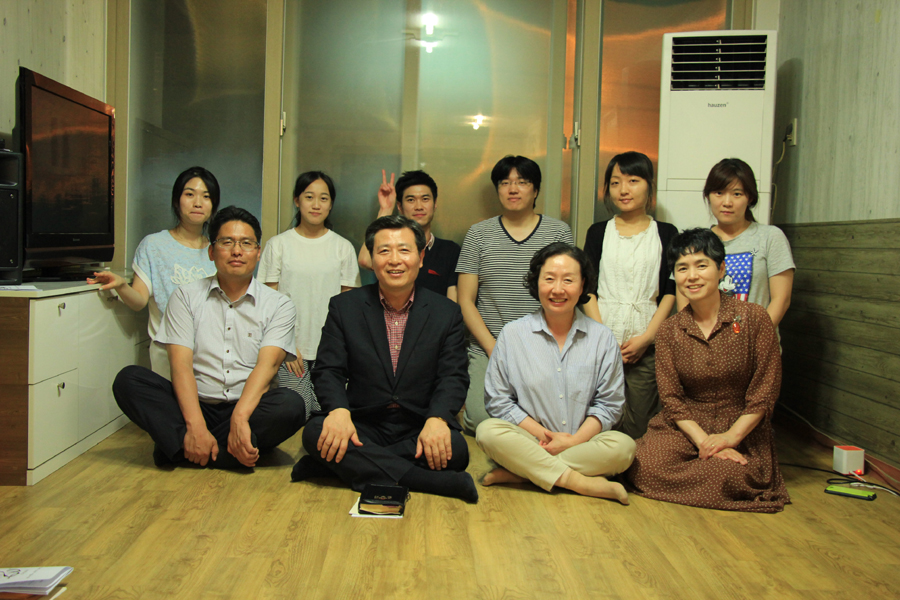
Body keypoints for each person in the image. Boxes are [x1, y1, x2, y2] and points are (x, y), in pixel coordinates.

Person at [294, 215, 476, 502]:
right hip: (364, 421)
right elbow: (328, 370)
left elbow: (453, 376)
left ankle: (339, 466)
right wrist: (339, 411)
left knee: (456, 448)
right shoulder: (345, 307)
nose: (394, 260)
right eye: (384, 251)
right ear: (372, 258)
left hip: (419, 422)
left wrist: (438, 417)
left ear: (420, 258)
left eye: (404, 250)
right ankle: (427, 480)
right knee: (315, 432)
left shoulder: (446, 312)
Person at [112, 206, 307, 469]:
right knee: (129, 380)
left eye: (246, 243)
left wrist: (240, 418)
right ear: (212, 252)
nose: (237, 251)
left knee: (291, 405)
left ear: (258, 252)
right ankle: (228, 452)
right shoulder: (185, 296)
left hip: (249, 407)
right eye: (227, 242)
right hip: (195, 404)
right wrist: (196, 426)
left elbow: (268, 366)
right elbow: (180, 366)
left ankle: (182, 449)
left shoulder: (279, 304)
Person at [625, 228, 790, 512]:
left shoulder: (754, 318)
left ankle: (713, 475)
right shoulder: (669, 330)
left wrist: (729, 438)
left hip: (741, 425)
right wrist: (706, 442)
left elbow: (764, 392)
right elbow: (671, 398)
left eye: (701, 265)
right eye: (682, 268)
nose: (692, 276)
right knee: (642, 464)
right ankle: (706, 472)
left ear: (721, 268)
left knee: (730, 473)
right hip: (687, 425)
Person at [476, 243, 635, 503]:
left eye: (568, 280)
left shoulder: (602, 338)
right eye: (549, 279)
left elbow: (609, 405)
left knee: (624, 448)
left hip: (583, 442)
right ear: (536, 282)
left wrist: (573, 441)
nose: (558, 289)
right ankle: (580, 482)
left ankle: (523, 472)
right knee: (488, 432)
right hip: (530, 439)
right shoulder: (513, 334)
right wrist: (545, 436)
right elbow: (499, 401)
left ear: (583, 285)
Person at [456, 155, 578, 434]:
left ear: (535, 190)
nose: (513, 189)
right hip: (489, 346)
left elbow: (567, 294)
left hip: (545, 345)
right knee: (479, 420)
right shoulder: (478, 234)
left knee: (558, 417)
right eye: (505, 183)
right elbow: (465, 300)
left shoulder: (558, 232)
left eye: (522, 182)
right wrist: (494, 348)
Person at [89, 167, 221, 379]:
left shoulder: (219, 250)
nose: (198, 203)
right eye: (189, 194)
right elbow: (139, 301)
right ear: (176, 201)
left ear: (213, 205)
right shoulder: (154, 245)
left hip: (214, 353)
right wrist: (121, 285)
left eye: (206, 197)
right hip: (168, 353)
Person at [584, 152, 678, 439]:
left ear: (649, 185)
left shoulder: (666, 232)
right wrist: (604, 337)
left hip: (646, 342)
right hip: (599, 342)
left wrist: (648, 337)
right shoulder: (598, 232)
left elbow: (670, 290)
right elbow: (587, 289)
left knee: (639, 427)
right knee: (596, 419)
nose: (623, 190)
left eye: (633, 181)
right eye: (615, 183)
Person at [257, 171, 360, 420]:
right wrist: (287, 346)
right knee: (295, 411)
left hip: (332, 352)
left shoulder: (343, 247)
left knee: (330, 413)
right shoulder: (278, 245)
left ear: (331, 204)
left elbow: (349, 309)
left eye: (323, 198)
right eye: (309, 197)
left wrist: (341, 351)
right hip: (291, 352)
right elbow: (267, 303)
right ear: (297, 200)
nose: (316, 205)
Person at [676, 158, 795, 328]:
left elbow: (781, 300)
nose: (727, 202)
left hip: (756, 339)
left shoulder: (770, 237)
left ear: (750, 198)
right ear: (708, 196)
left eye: (737, 194)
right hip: (706, 340)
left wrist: (754, 337)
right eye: (719, 193)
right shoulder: (694, 242)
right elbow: (684, 300)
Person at [357, 169, 460, 300]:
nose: (419, 206)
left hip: (436, 313)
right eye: (411, 200)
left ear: (435, 204)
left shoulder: (450, 250)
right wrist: (386, 209)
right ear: (399, 206)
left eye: (425, 199)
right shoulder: (392, 248)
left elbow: (452, 303)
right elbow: (365, 260)